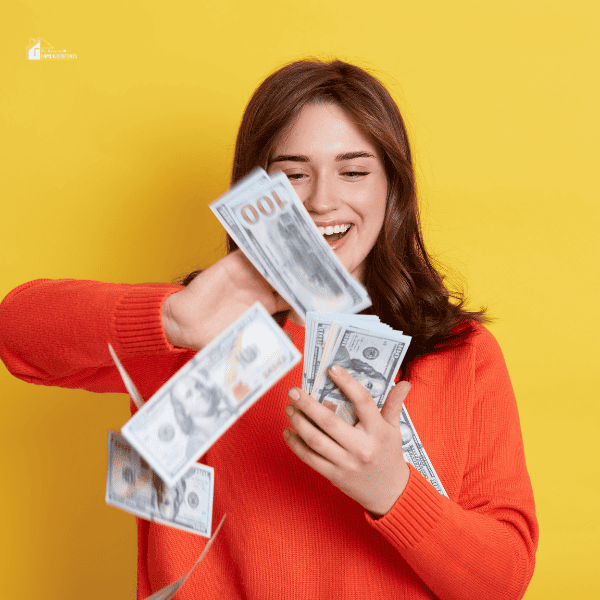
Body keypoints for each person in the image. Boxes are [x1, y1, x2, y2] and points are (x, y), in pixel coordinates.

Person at [0, 59, 538, 599]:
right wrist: (174, 318)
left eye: (353, 171)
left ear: (392, 189)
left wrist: (393, 491)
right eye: (294, 174)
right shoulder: (198, 332)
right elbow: (16, 335)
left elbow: (503, 581)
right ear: (256, 190)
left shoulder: (460, 354)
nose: (322, 200)